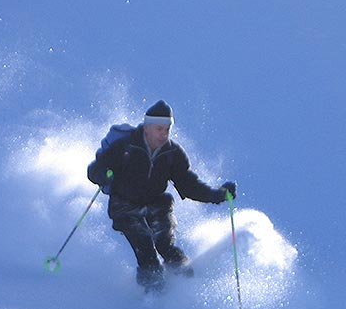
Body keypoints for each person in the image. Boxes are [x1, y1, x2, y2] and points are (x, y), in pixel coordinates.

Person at [87, 99, 237, 292]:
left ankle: (187, 283)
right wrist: (102, 174)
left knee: (165, 245)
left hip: (157, 204)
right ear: (147, 128)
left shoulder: (172, 154)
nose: (163, 134)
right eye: (159, 129)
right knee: (144, 246)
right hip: (124, 205)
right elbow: (95, 169)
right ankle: (153, 294)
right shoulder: (125, 147)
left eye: (167, 129)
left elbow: (188, 184)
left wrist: (218, 195)